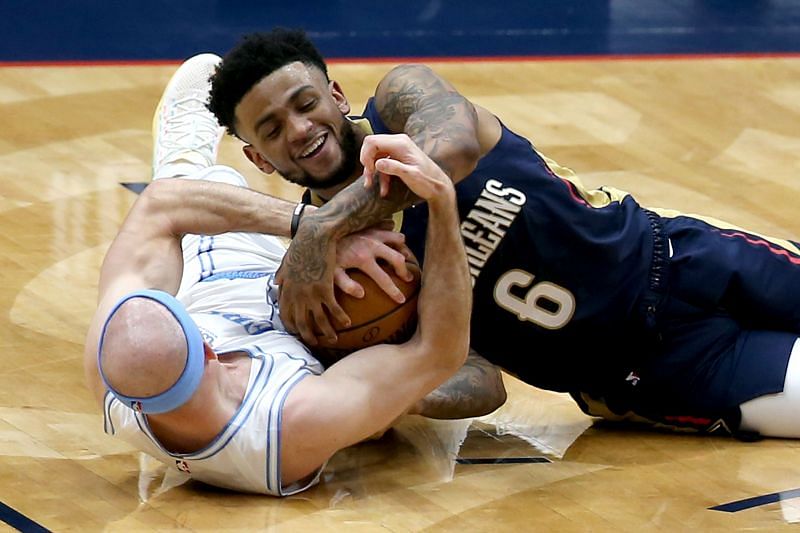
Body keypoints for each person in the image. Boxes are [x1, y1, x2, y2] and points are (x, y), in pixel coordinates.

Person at [206, 28, 800, 439]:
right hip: (650, 371)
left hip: (683, 261)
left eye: (306, 103)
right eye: (273, 128)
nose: (301, 128)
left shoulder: (400, 102)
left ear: (335, 95)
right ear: (259, 159)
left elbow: (453, 149)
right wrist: (394, 390)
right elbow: (479, 379)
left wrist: (324, 225)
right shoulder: (338, 274)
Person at [83, 53, 475, 496]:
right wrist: (441, 199)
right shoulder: (292, 423)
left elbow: (160, 205)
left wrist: (315, 227)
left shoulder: (114, 379)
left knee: (186, 196)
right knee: (401, 393)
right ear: (206, 349)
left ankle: (185, 158)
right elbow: (439, 351)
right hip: (264, 292)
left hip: (218, 280)